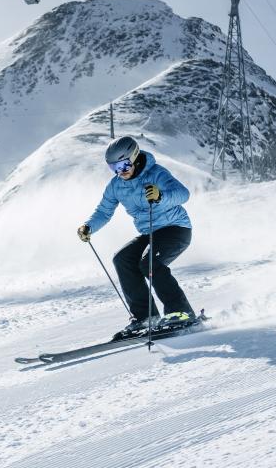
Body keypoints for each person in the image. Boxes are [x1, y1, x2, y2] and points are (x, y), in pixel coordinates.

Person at [76, 135, 198, 338]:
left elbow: (183, 194)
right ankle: (146, 317)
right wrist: (88, 227)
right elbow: (104, 211)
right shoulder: (116, 186)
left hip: (175, 228)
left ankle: (181, 312)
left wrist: (161, 196)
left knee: (149, 263)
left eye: (123, 165)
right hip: (149, 232)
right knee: (122, 259)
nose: (120, 172)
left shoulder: (156, 173)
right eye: (113, 168)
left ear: (134, 158)